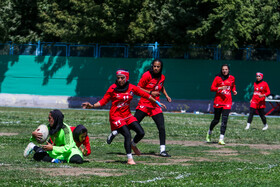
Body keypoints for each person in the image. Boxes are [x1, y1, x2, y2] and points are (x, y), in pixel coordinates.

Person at [82, 69, 166, 165]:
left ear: (127, 78)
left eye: (122, 78)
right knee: (127, 134)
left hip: (128, 115)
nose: (120, 80)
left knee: (141, 132)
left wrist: (157, 102)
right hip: (116, 116)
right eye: (118, 78)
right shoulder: (112, 88)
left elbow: (145, 95)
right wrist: (92, 106)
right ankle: (130, 159)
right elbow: (103, 101)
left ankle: (132, 144)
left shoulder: (131, 88)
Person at [107, 59, 172, 157]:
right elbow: (138, 88)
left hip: (155, 106)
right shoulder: (146, 75)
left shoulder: (162, 77)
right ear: (152, 66)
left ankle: (162, 150)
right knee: (132, 124)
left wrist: (166, 95)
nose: (156, 68)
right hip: (144, 104)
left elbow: (161, 87)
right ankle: (115, 132)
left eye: (158, 67)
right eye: (154, 66)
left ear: (161, 67)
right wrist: (150, 93)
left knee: (161, 127)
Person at [206, 64, 237, 145]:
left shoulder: (232, 78)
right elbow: (212, 88)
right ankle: (209, 132)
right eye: (223, 69)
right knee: (216, 120)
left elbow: (233, 86)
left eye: (226, 69)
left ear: (228, 70)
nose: (224, 71)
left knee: (224, 120)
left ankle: (221, 139)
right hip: (218, 102)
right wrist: (220, 88)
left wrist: (234, 91)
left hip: (227, 102)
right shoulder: (217, 78)